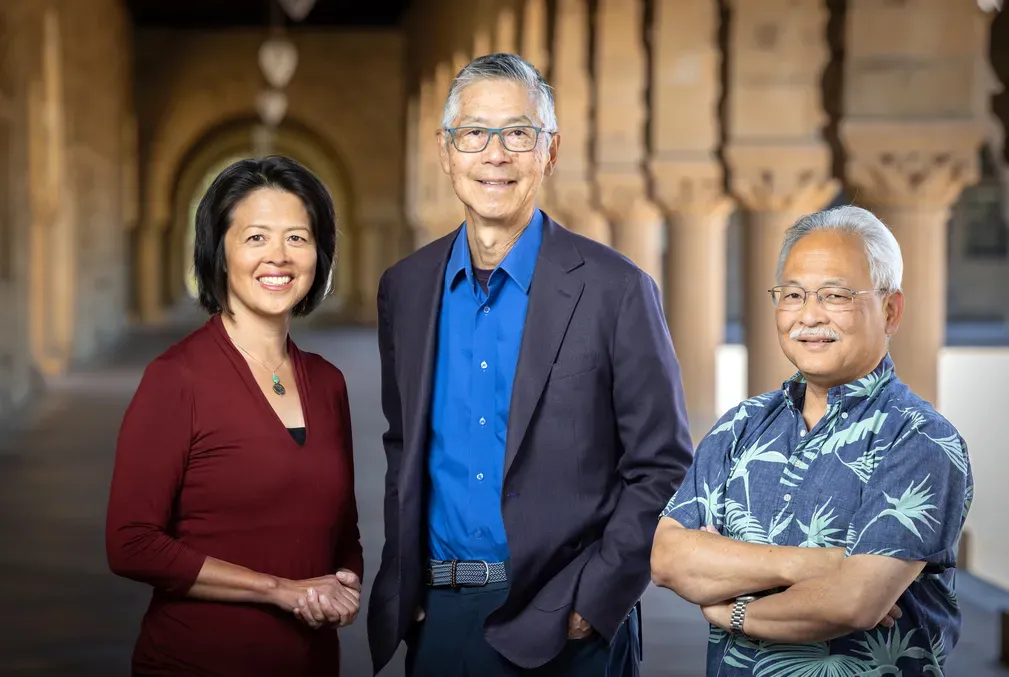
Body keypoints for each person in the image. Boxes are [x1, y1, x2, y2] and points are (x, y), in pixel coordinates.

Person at [366, 52, 695, 677]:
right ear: (446, 150)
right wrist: (405, 579)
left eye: (518, 133)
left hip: (567, 624)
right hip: (438, 617)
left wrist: (595, 600)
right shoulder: (405, 290)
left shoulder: (615, 290)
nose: (496, 154)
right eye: (475, 134)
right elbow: (402, 444)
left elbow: (662, 462)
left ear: (549, 151)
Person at [650, 205, 973, 675]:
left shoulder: (919, 439)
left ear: (890, 309)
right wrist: (817, 565)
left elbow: (854, 603)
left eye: (835, 295)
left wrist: (735, 611)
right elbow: (668, 557)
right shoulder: (741, 424)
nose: (809, 316)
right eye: (793, 294)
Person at [106, 155, 363, 677]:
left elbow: (343, 532)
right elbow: (131, 543)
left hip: (310, 664)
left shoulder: (328, 382)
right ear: (219, 252)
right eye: (256, 238)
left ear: (320, 254)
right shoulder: (176, 378)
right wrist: (277, 590)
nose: (279, 257)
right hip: (196, 661)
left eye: (298, 237)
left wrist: (343, 582)